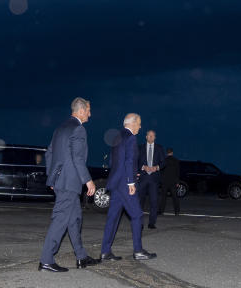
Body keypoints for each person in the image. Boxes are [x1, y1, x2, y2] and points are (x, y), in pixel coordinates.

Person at [38, 97, 99, 272]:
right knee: (60, 220)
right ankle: (46, 260)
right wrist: (88, 181)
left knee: (75, 219)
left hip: (60, 181)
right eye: (88, 110)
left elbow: (49, 153)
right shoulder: (78, 129)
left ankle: (81, 257)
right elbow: (77, 158)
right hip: (69, 182)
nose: (90, 113)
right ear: (81, 111)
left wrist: (52, 178)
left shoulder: (60, 128)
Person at [101, 113, 156, 261]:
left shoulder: (118, 136)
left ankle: (105, 251)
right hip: (125, 185)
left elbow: (115, 161)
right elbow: (129, 161)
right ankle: (138, 251)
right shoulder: (131, 137)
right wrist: (130, 181)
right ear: (132, 123)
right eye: (138, 123)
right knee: (137, 215)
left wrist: (129, 175)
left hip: (117, 183)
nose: (140, 126)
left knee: (113, 217)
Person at [137, 130, 165, 229]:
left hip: (154, 179)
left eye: (152, 136)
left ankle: (152, 223)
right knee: (140, 201)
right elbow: (136, 161)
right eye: (149, 135)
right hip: (143, 178)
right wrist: (143, 167)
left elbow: (163, 163)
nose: (151, 137)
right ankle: (139, 223)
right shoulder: (140, 148)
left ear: (155, 137)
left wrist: (156, 167)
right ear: (146, 137)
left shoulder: (159, 148)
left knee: (154, 201)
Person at [159, 148, 181, 217]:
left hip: (165, 182)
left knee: (163, 197)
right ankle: (177, 212)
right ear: (172, 153)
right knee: (175, 197)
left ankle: (161, 211)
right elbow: (177, 172)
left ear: (167, 153)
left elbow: (161, 171)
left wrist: (161, 181)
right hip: (173, 182)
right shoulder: (176, 160)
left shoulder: (164, 160)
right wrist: (177, 182)